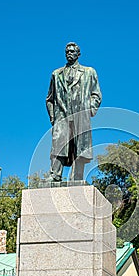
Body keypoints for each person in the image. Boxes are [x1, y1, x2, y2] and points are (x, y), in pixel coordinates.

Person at [46, 42, 102, 181]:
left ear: (78, 54)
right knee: (58, 145)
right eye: (67, 52)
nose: (69, 54)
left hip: (80, 115)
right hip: (62, 116)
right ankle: (55, 175)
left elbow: (96, 95)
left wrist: (88, 108)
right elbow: (49, 99)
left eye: (72, 51)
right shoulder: (56, 74)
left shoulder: (89, 72)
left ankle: (77, 178)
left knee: (80, 148)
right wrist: (53, 118)